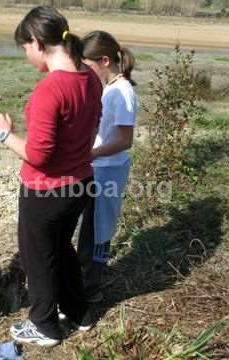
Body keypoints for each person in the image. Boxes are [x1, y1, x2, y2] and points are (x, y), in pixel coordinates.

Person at [0, 6, 102, 347]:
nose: (26, 56)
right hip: (80, 184)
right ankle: (78, 312)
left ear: (37, 43)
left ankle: (44, 326)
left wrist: (5, 135)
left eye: (25, 48)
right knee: (62, 249)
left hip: (46, 191)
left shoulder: (50, 90)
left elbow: (38, 155)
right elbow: (92, 127)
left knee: (36, 258)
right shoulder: (90, 79)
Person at [77, 31, 138, 303]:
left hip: (108, 169)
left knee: (99, 229)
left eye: (87, 66)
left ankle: (91, 288)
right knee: (89, 226)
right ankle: (87, 280)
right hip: (99, 166)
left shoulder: (122, 92)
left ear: (104, 60)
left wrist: (90, 154)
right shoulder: (110, 88)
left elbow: (125, 140)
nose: (85, 72)